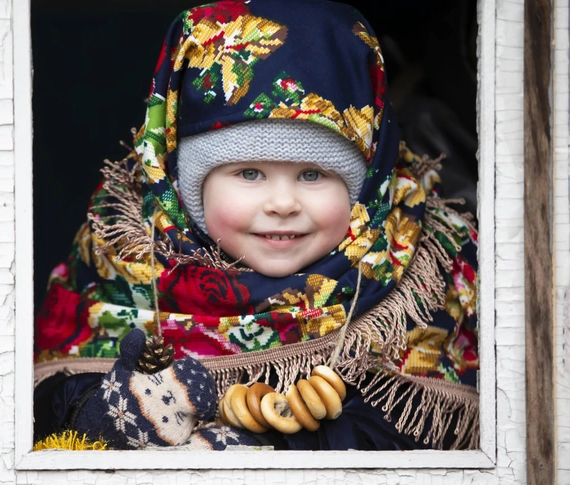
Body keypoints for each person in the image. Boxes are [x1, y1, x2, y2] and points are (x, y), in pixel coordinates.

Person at [33, 0, 479, 451]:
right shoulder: (120, 251)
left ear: (365, 189)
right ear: (187, 188)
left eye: (313, 174)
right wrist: (94, 410)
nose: (282, 204)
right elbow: (38, 393)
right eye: (249, 174)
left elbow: (437, 432)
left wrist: (281, 443)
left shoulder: (427, 267)